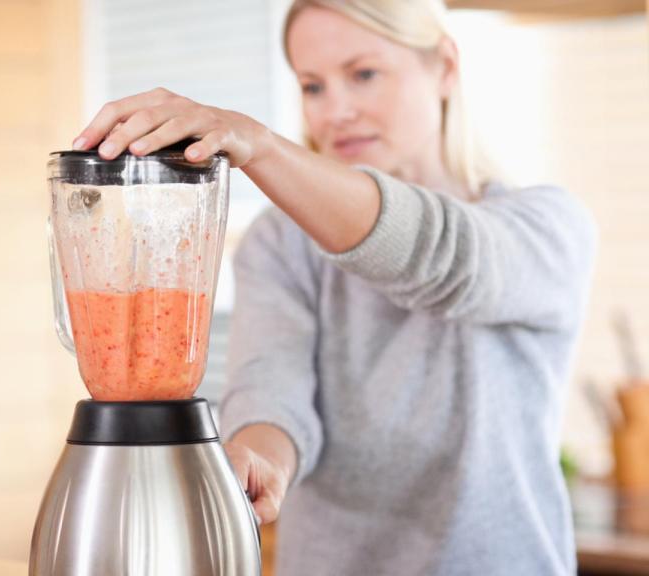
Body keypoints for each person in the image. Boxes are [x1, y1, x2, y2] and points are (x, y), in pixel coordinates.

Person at [71, 0, 596, 574]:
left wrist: (261, 146)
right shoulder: (281, 244)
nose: (336, 110)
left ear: (444, 67)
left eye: (363, 74)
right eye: (312, 86)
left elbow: (440, 256)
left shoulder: (546, 227)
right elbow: (272, 388)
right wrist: (257, 456)